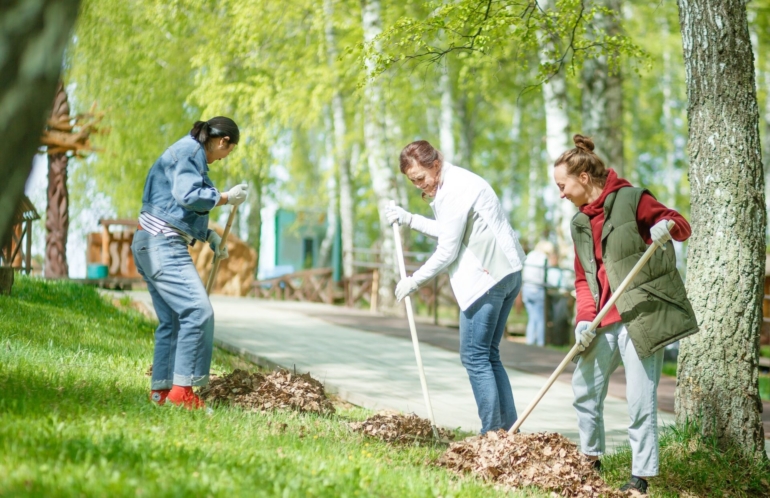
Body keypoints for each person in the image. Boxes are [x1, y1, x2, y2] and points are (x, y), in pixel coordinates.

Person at [553, 134, 698, 495]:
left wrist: (667, 228)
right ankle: (590, 460)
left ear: (583, 178)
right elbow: (583, 278)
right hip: (603, 318)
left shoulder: (632, 199)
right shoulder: (579, 223)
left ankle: (641, 477)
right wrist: (584, 319)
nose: (560, 193)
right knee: (584, 389)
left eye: (562, 185)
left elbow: (680, 224)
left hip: (640, 315)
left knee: (639, 400)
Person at [385, 140, 527, 434]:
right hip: (507, 273)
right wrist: (410, 219)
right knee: (489, 354)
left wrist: (414, 280)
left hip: (488, 278)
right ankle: (508, 431)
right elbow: (452, 230)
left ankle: (491, 434)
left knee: (474, 356)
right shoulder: (459, 181)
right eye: (413, 183)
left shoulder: (454, 190)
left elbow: (447, 250)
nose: (420, 187)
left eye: (421, 179)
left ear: (435, 164)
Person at [131, 117, 249, 409]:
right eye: (229, 151)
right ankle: (182, 393)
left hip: (148, 241)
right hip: (163, 245)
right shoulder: (189, 152)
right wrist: (223, 197)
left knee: (172, 320)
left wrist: (209, 236)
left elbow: (172, 205)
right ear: (223, 142)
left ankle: (161, 391)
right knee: (198, 312)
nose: (225, 158)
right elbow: (188, 196)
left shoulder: (187, 153)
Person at [521, 240, 556, 346]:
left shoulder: (530, 255)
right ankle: (540, 343)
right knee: (540, 318)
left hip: (527, 288)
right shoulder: (543, 259)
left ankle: (530, 341)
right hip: (538, 289)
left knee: (532, 317)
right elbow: (546, 276)